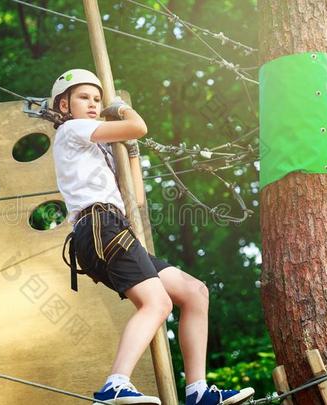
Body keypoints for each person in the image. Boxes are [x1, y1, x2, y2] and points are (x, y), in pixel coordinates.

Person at [51, 69, 255, 405]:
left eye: (97, 99)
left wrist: (130, 151)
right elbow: (139, 126)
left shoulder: (98, 148)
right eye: (83, 98)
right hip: (98, 225)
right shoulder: (71, 130)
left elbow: (135, 199)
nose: (93, 104)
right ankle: (115, 384)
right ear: (63, 106)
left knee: (194, 292)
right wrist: (121, 110)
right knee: (157, 303)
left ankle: (197, 391)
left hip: (114, 226)